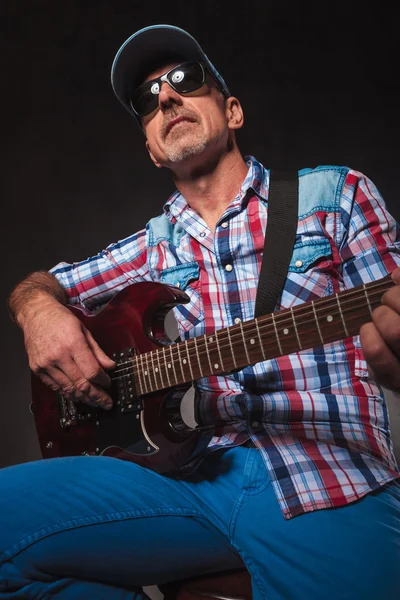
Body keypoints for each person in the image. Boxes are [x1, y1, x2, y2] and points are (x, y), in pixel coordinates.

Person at [2, 23, 400, 600]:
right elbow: (43, 285)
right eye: (148, 99)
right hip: (189, 487)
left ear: (232, 111)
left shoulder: (336, 198)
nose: (166, 97)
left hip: (326, 482)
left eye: (185, 81)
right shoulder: (148, 248)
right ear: (151, 148)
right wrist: (35, 307)